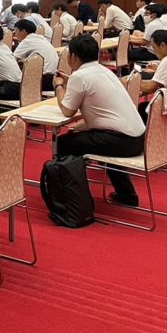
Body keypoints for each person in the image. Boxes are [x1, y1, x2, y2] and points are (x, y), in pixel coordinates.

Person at [53, 35, 145, 208]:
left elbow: (67, 110)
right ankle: (127, 194)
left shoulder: (79, 76)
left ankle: (73, 197)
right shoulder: (105, 71)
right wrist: (69, 81)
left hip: (120, 141)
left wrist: (59, 86)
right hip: (138, 138)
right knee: (91, 139)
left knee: (63, 143)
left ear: (73, 56)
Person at [12, 19, 59, 91]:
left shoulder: (27, 41)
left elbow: (12, 61)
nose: (14, 34)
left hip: (41, 80)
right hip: (53, 79)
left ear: (23, 31)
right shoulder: (41, 38)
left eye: (16, 31)